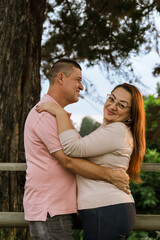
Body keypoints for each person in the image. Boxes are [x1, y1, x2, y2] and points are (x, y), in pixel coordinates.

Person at [23, 59, 130, 240]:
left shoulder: (58, 115)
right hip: (49, 210)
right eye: (78, 79)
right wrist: (110, 175)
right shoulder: (45, 114)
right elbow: (68, 160)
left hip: (58, 210)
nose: (81, 87)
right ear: (61, 78)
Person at [36, 82, 146, 240]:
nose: (112, 106)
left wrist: (60, 112)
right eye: (111, 99)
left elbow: (72, 148)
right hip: (108, 210)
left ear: (131, 115)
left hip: (106, 210)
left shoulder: (117, 130)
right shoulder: (110, 129)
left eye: (121, 105)